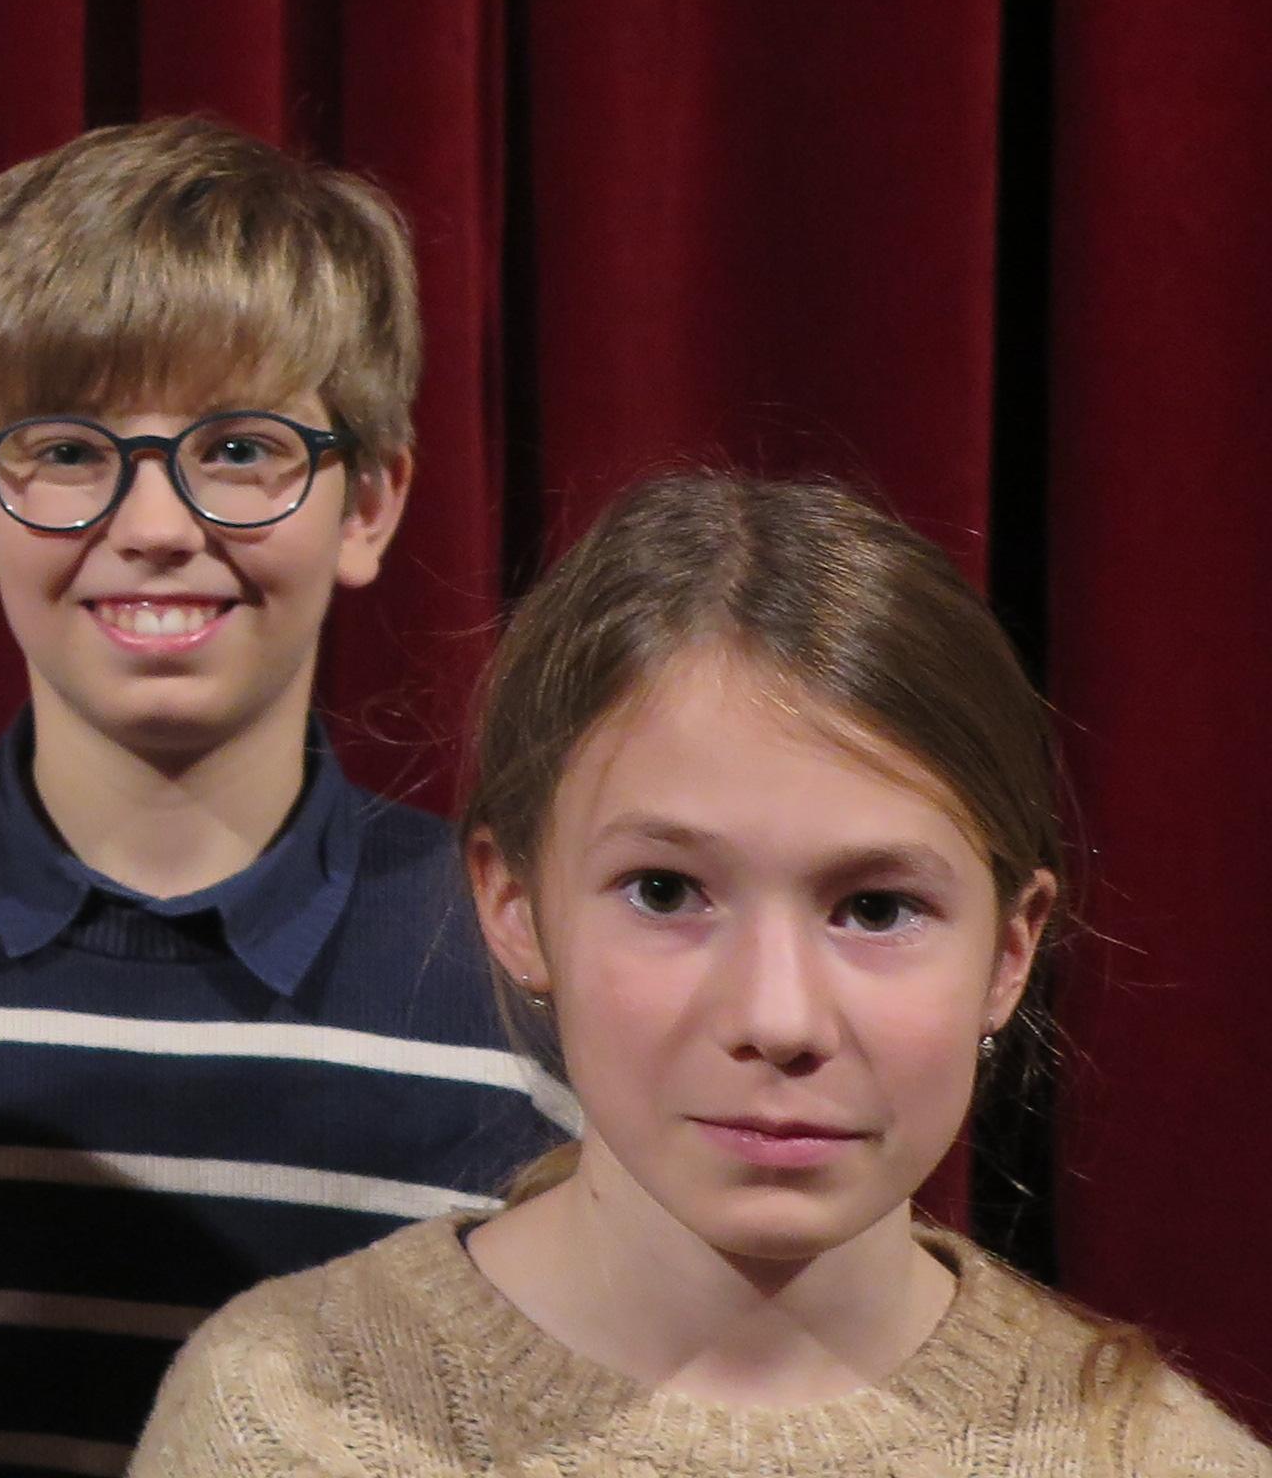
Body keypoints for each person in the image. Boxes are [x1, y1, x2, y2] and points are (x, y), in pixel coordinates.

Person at [0, 116, 566, 1475]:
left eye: (242, 449)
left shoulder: (521, 969)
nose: (154, 527)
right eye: (68, 451)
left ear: (369, 505)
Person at [132, 471, 1270, 1476]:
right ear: (515, 906)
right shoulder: (286, 1422)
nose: (778, 1017)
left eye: (876, 909)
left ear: (1009, 952)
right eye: (666, 893)